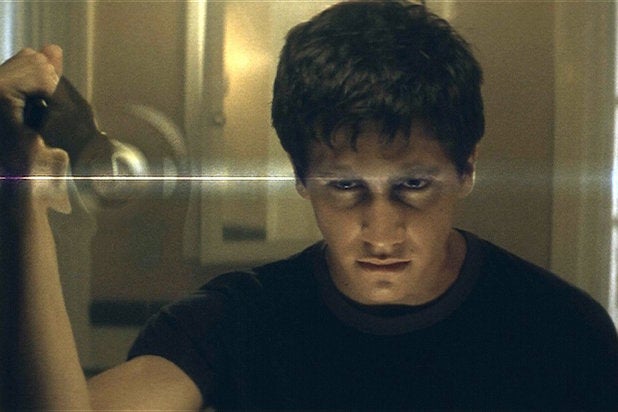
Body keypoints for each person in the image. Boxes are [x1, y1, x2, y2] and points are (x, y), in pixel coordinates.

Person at [1, 1, 617, 410]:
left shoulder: (561, 332)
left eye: (413, 185)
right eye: (345, 188)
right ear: (301, 177)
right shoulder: (239, 321)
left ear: (467, 169)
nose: (381, 233)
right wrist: (21, 194)